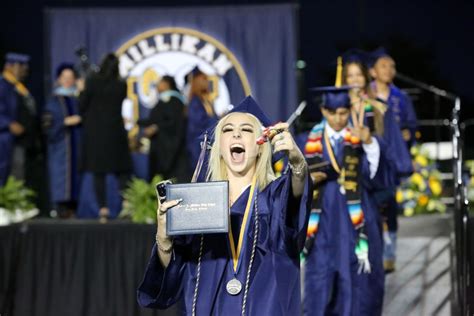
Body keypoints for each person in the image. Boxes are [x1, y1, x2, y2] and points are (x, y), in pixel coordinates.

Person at [137, 96, 312, 315]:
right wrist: (164, 237)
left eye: (246, 130)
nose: (236, 133)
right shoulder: (198, 203)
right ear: (220, 147)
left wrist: (297, 163)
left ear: (260, 147)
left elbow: (295, 199)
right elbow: (171, 276)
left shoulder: (274, 199)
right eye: (228, 130)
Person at [303, 86, 392, 316]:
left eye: (343, 112)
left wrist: (370, 143)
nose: (338, 119)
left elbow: (376, 178)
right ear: (323, 110)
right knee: (321, 278)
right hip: (322, 217)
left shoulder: (360, 138)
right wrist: (306, 180)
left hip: (356, 214)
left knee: (356, 279)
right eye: (332, 113)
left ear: (350, 110)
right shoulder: (308, 140)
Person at [368, 48, 416, 272]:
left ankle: (389, 252)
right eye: (384, 66)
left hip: (392, 158)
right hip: (371, 155)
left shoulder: (401, 97)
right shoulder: (365, 96)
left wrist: (405, 136)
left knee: (390, 205)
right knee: (372, 204)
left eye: (392, 66)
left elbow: (410, 126)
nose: (390, 70)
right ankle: (373, 249)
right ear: (373, 71)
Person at [79, 53, 131, 219]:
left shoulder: (92, 81)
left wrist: (81, 91)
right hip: (116, 132)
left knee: (98, 172)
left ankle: (103, 209)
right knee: (122, 170)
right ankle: (125, 204)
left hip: (96, 134)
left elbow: (82, 105)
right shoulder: (121, 85)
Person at [43, 63, 81, 218]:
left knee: (77, 180)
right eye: (64, 77)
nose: (67, 81)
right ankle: (60, 209)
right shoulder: (52, 102)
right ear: (58, 79)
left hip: (77, 148)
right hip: (60, 148)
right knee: (62, 180)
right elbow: (47, 127)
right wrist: (65, 122)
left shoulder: (79, 100)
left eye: (71, 78)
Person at [139, 75, 188, 182]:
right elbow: (156, 119)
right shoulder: (164, 100)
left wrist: (156, 128)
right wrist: (138, 122)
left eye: (160, 82)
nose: (157, 85)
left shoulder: (173, 100)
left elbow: (173, 122)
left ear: (166, 84)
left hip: (171, 151)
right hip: (161, 148)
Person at [0, 53, 29, 185]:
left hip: (18, 140)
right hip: (4, 136)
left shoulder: (18, 87)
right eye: (21, 66)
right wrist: (9, 123)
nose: (24, 70)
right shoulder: (2, 85)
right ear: (10, 67)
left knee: (16, 175)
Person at [186, 67, 219, 170]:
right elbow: (197, 124)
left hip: (208, 144)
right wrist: (215, 121)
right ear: (196, 82)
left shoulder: (206, 100)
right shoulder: (195, 102)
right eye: (203, 79)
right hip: (198, 145)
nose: (206, 82)